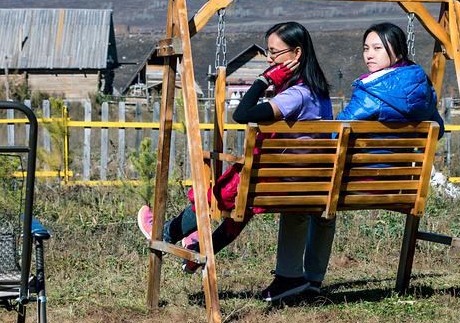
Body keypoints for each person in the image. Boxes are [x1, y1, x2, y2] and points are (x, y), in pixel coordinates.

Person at [138, 21, 333, 279]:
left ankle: (166, 233)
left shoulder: (297, 95)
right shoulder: (320, 93)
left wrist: (263, 80)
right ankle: (199, 247)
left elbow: (241, 114)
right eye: (268, 52)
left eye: (275, 53)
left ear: (296, 54)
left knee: (221, 193)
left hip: (282, 181)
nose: (269, 59)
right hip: (305, 181)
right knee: (241, 200)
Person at [267, 21, 444, 299]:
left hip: (359, 183)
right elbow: (439, 129)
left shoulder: (371, 92)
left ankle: (292, 277)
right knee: (325, 200)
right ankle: (312, 281)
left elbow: (337, 132)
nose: (369, 55)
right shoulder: (424, 89)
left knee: (301, 197)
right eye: (366, 48)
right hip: (400, 186)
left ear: (397, 51)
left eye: (377, 48)